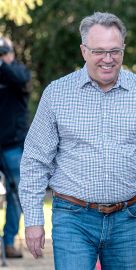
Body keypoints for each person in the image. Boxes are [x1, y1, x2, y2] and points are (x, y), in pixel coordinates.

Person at [19, 12, 136, 269]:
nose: (108, 59)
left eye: (115, 51)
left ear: (123, 50)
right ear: (83, 51)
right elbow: (35, 159)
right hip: (72, 218)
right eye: (99, 51)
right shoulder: (57, 94)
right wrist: (33, 219)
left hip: (129, 220)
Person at [0, 36, 31, 258]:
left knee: (15, 192)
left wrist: (4, 63)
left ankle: (8, 241)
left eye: (4, 51)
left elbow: (20, 80)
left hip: (12, 145)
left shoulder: (18, 71)